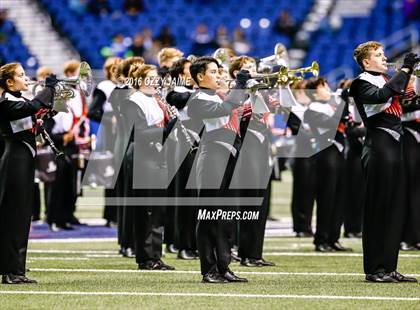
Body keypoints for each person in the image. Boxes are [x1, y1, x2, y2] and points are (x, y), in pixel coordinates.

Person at [350, 41, 418, 283]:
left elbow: (406, 106)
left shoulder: (384, 80)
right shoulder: (360, 83)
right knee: (378, 209)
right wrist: (406, 69)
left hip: (394, 147)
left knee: (394, 209)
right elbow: (380, 96)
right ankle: (375, 268)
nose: (384, 58)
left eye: (383, 54)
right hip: (378, 148)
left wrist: (413, 88)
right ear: (366, 62)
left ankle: (389, 266)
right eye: (378, 55)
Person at [188, 56, 249, 283]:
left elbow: (239, 114)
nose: (218, 76)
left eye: (218, 71)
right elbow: (224, 108)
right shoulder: (197, 99)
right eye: (213, 72)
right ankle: (209, 269)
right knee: (209, 216)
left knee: (226, 217)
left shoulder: (221, 94)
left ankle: (224, 266)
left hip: (229, 157)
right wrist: (240, 84)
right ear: (200, 77)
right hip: (212, 157)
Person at [0, 62, 57, 284]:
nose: (26, 78)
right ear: (9, 82)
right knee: (14, 215)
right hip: (14, 159)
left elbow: (32, 115)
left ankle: (15, 267)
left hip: (23, 158)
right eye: (21, 75)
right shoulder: (5, 102)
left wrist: (47, 112)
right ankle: (12, 271)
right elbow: (31, 108)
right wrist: (49, 88)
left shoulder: (17, 100)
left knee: (22, 216)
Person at [124, 64, 175, 270]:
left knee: (158, 209)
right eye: (152, 78)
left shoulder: (155, 99)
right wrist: (167, 128)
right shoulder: (133, 101)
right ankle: (145, 257)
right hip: (142, 155)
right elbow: (138, 132)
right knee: (145, 210)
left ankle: (155, 254)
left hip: (156, 154)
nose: (157, 81)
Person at [304, 77, 351, 252]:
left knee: (339, 198)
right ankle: (321, 239)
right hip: (325, 155)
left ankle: (333, 238)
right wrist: (342, 101)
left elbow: (346, 120)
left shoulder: (332, 105)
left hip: (339, 153)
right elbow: (331, 124)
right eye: (323, 86)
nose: (327, 88)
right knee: (326, 198)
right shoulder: (312, 109)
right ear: (314, 92)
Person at [166, 58, 200, 260]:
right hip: (185, 148)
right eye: (190, 71)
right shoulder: (178, 92)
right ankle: (183, 245)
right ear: (180, 75)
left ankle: (195, 243)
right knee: (186, 198)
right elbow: (178, 98)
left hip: (202, 147)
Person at [88, 57, 122, 227]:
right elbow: (92, 111)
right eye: (114, 68)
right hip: (110, 133)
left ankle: (119, 214)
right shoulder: (105, 87)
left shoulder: (124, 87)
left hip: (123, 131)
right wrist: (110, 119)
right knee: (111, 173)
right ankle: (111, 215)